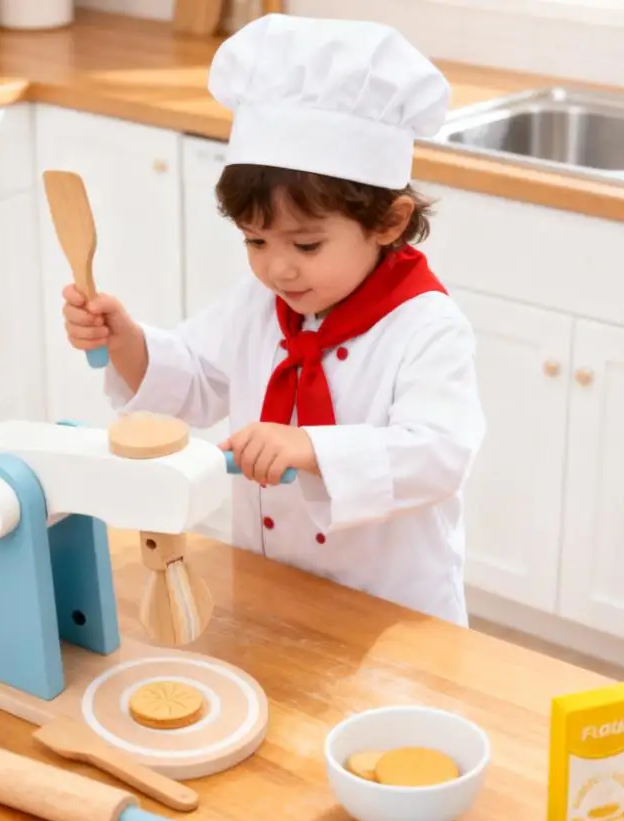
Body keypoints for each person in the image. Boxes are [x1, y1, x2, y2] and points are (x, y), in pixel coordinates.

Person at [61, 14, 486, 626]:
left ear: (389, 222)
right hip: (267, 587)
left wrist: (311, 445)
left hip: (390, 612)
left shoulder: (425, 328)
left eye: (306, 245)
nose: (278, 270)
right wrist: (126, 340)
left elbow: (440, 454)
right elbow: (195, 381)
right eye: (256, 241)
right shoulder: (256, 305)